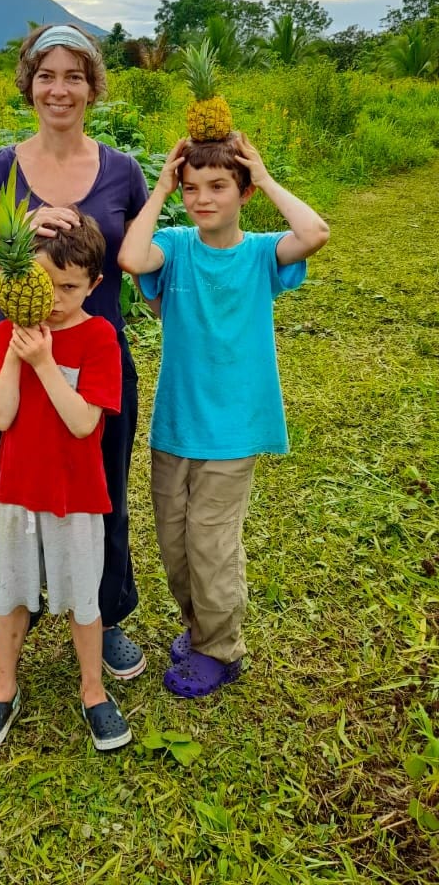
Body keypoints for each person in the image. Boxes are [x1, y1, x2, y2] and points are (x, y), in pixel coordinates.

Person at [0, 24, 149, 698]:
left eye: (74, 75)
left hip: (97, 357)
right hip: (21, 355)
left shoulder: (122, 170)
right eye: (46, 75)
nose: (59, 89)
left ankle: (107, 610)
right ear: (28, 84)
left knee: (104, 490)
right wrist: (18, 231)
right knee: (5, 494)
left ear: (92, 86)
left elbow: (140, 256)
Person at [117, 130, 329, 698]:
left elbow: (314, 233)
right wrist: (160, 187)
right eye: (191, 188)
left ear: (244, 192)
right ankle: (200, 626)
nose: (202, 198)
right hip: (176, 425)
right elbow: (131, 257)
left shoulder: (261, 253)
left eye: (218, 186)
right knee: (174, 545)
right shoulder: (177, 246)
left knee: (211, 545)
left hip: (233, 431)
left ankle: (221, 648)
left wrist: (264, 175)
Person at [0, 214, 133, 751]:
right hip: (16, 488)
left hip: (77, 493)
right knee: (11, 591)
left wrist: (42, 362)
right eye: (46, 283)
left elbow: (85, 422)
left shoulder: (98, 336)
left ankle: (92, 689)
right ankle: (5, 685)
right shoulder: (4, 333)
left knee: (84, 594)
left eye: (70, 287)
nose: (57, 299)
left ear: (94, 286)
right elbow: (1, 417)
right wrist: (17, 354)